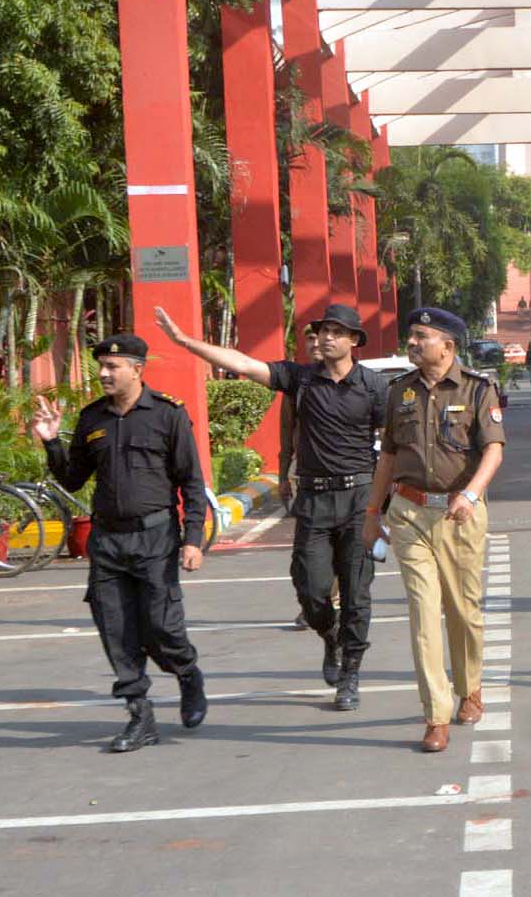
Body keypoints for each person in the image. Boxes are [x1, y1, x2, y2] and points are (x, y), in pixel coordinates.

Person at [154, 303, 381, 711]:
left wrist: (386, 502)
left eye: (336, 331)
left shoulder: (373, 386)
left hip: (358, 497)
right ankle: (329, 635)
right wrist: (186, 342)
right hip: (314, 500)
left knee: (356, 592)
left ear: (353, 341)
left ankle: (350, 672)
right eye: (323, 330)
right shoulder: (300, 379)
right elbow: (243, 363)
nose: (326, 337)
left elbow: (395, 442)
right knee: (310, 590)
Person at [30, 334, 212, 752]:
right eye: (101, 366)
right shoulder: (92, 418)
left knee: (162, 628)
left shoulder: (167, 414)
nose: (103, 373)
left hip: (155, 538)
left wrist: (193, 539)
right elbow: (73, 478)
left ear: (137, 369)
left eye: (113, 366)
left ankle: (187, 673)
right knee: (115, 628)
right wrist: (52, 441)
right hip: (108, 540)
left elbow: (191, 482)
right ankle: (139, 715)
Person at [363, 307, 505, 753]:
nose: (411, 342)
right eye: (411, 335)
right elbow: (388, 457)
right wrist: (373, 513)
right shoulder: (399, 392)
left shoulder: (477, 389)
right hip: (409, 513)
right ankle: (435, 714)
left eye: (420, 335)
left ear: (447, 345)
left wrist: (472, 494)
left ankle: (470, 687)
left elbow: (494, 451)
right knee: (423, 613)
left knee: (463, 611)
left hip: (459, 513)